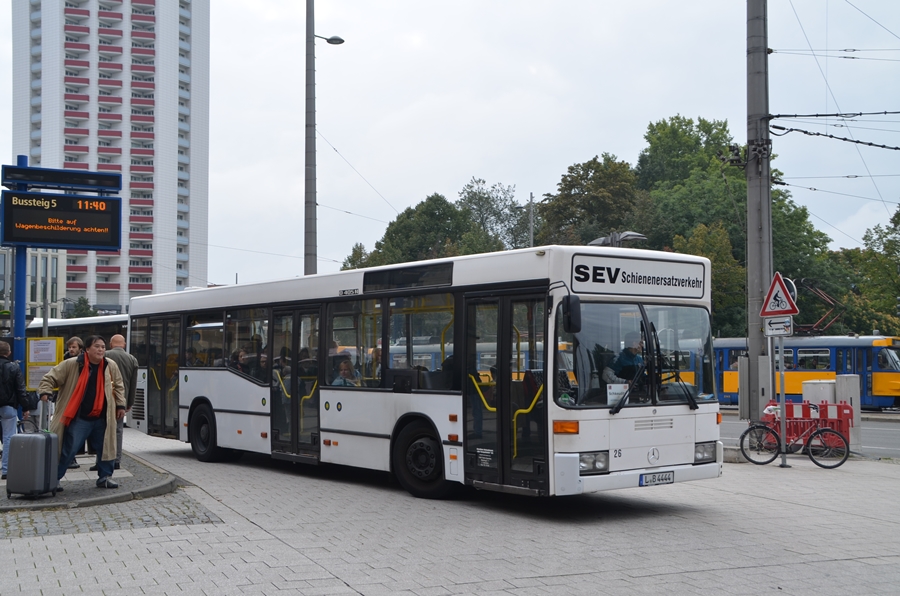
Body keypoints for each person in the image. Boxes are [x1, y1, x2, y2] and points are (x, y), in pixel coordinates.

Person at [38, 335, 126, 490]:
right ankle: (54, 479)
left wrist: (120, 405)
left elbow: (118, 386)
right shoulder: (72, 364)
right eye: (97, 346)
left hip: (102, 416)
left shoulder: (109, 365)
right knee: (68, 449)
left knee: (106, 447)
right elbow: (49, 378)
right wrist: (45, 391)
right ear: (87, 349)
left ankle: (105, 477)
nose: (101, 350)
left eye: (103, 347)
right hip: (79, 417)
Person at [91, 334, 137, 472]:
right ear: (123, 345)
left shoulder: (104, 356)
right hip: (121, 401)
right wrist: (129, 402)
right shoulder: (132, 359)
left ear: (111, 344)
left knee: (101, 431)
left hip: (103, 399)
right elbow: (133, 384)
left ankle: (100, 460)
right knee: (117, 431)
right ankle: (116, 460)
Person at [0, 341, 31, 481]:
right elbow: (20, 389)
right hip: (8, 406)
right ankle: (6, 469)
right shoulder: (13, 367)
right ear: (9, 352)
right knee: (8, 437)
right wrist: (25, 407)